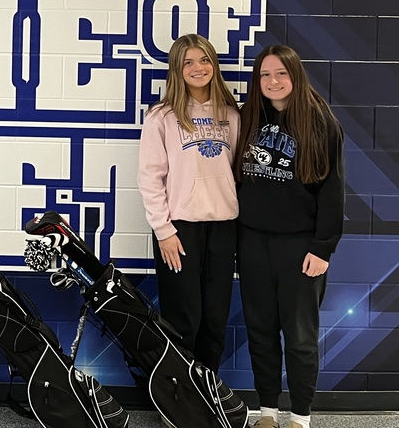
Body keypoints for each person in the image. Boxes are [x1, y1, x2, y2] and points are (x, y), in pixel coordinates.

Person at [234, 45, 345, 428]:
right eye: (264, 75)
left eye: (280, 73)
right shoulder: (247, 117)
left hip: (300, 246)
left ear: (295, 76)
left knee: (299, 337)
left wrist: (323, 247)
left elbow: (332, 192)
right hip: (252, 241)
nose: (273, 81)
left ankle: (300, 416)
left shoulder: (321, 124)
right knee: (260, 331)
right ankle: (267, 411)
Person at [137, 33, 240, 373]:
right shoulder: (161, 116)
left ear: (214, 64)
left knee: (214, 321)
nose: (198, 68)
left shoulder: (231, 114)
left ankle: (206, 397)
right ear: (177, 70)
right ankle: (179, 400)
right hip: (179, 231)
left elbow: (237, 169)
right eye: (189, 62)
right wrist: (163, 231)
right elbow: (150, 177)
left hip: (224, 228)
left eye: (205, 60)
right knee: (184, 321)